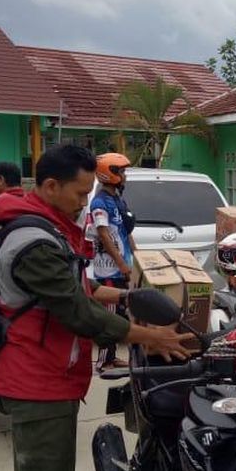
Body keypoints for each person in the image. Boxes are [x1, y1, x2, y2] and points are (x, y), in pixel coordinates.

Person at [0, 144, 192, 471]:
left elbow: (85, 289)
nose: (85, 201)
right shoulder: (34, 241)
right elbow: (76, 313)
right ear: (50, 187)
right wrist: (147, 334)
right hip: (36, 380)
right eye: (80, 192)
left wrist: (134, 294)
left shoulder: (47, 226)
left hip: (51, 374)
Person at [89, 152, 137, 371]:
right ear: (109, 174)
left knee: (120, 313)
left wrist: (137, 258)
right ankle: (103, 361)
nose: (125, 175)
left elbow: (125, 232)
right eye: (121, 171)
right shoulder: (100, 203)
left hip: (122, 266)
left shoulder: (117, 199)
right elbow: (105, 236)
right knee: (109, 316)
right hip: (109, 270)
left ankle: (112, 357)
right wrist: (121, 264)